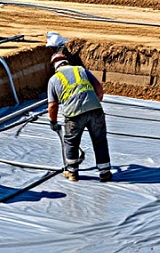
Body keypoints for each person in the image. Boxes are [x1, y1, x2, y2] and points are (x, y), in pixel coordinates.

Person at [47, 53, 112, 182]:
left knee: (71, 142)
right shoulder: (81, 70)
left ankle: (72, 172)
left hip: (74, 114)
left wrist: (53, 122)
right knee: (100, 141)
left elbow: (53, 105)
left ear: (54, 66)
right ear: (66, 61)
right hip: (95, 110)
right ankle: (105, 172)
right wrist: (92, 104)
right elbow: (99, 91)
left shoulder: (53, 79)